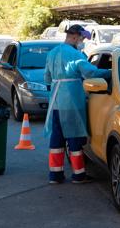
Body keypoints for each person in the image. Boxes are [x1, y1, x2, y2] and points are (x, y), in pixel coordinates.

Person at [44, 24, 111, 184]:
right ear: (74, 36)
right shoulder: (75, 54)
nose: (83, 42)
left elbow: (46, 78)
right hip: (72, 102)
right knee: (74, 138)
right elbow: (91, 73)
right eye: (82, 39)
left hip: (56, 102)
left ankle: (55, 176)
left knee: (57, 139)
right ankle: (79, 175)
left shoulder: (52, 53)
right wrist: (110, 72)